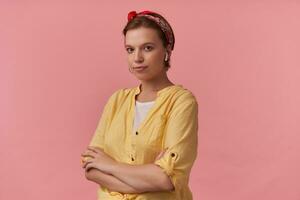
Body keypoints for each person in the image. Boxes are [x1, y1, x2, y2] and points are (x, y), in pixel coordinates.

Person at [80, 10, 199, 200]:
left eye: (148, 48)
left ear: (167, 51)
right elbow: (91, 167)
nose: (137, 58)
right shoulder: (117, 100)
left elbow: (166, 178)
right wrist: (144, 180)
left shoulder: (181, 101)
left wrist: (110, 165)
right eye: (130, 49)